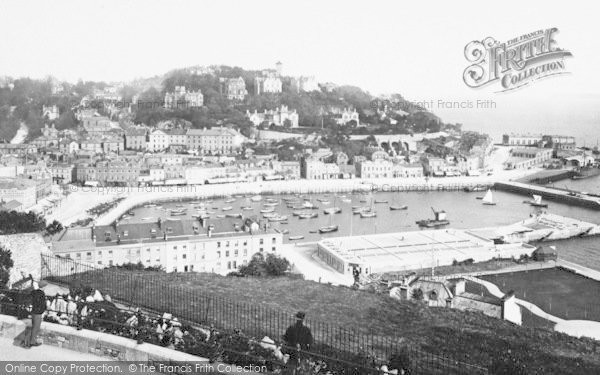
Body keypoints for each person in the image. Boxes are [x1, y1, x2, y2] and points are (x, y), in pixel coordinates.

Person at [22, 280, 47, 348]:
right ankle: (30, 342)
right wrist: (43, 310)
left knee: (33, 327)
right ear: (44, 287)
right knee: (36, 328)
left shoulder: (34, 292)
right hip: (38, 312)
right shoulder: (42, 294)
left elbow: (29, 299)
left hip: (33, 311)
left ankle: (27, 341)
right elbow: (43, 304)